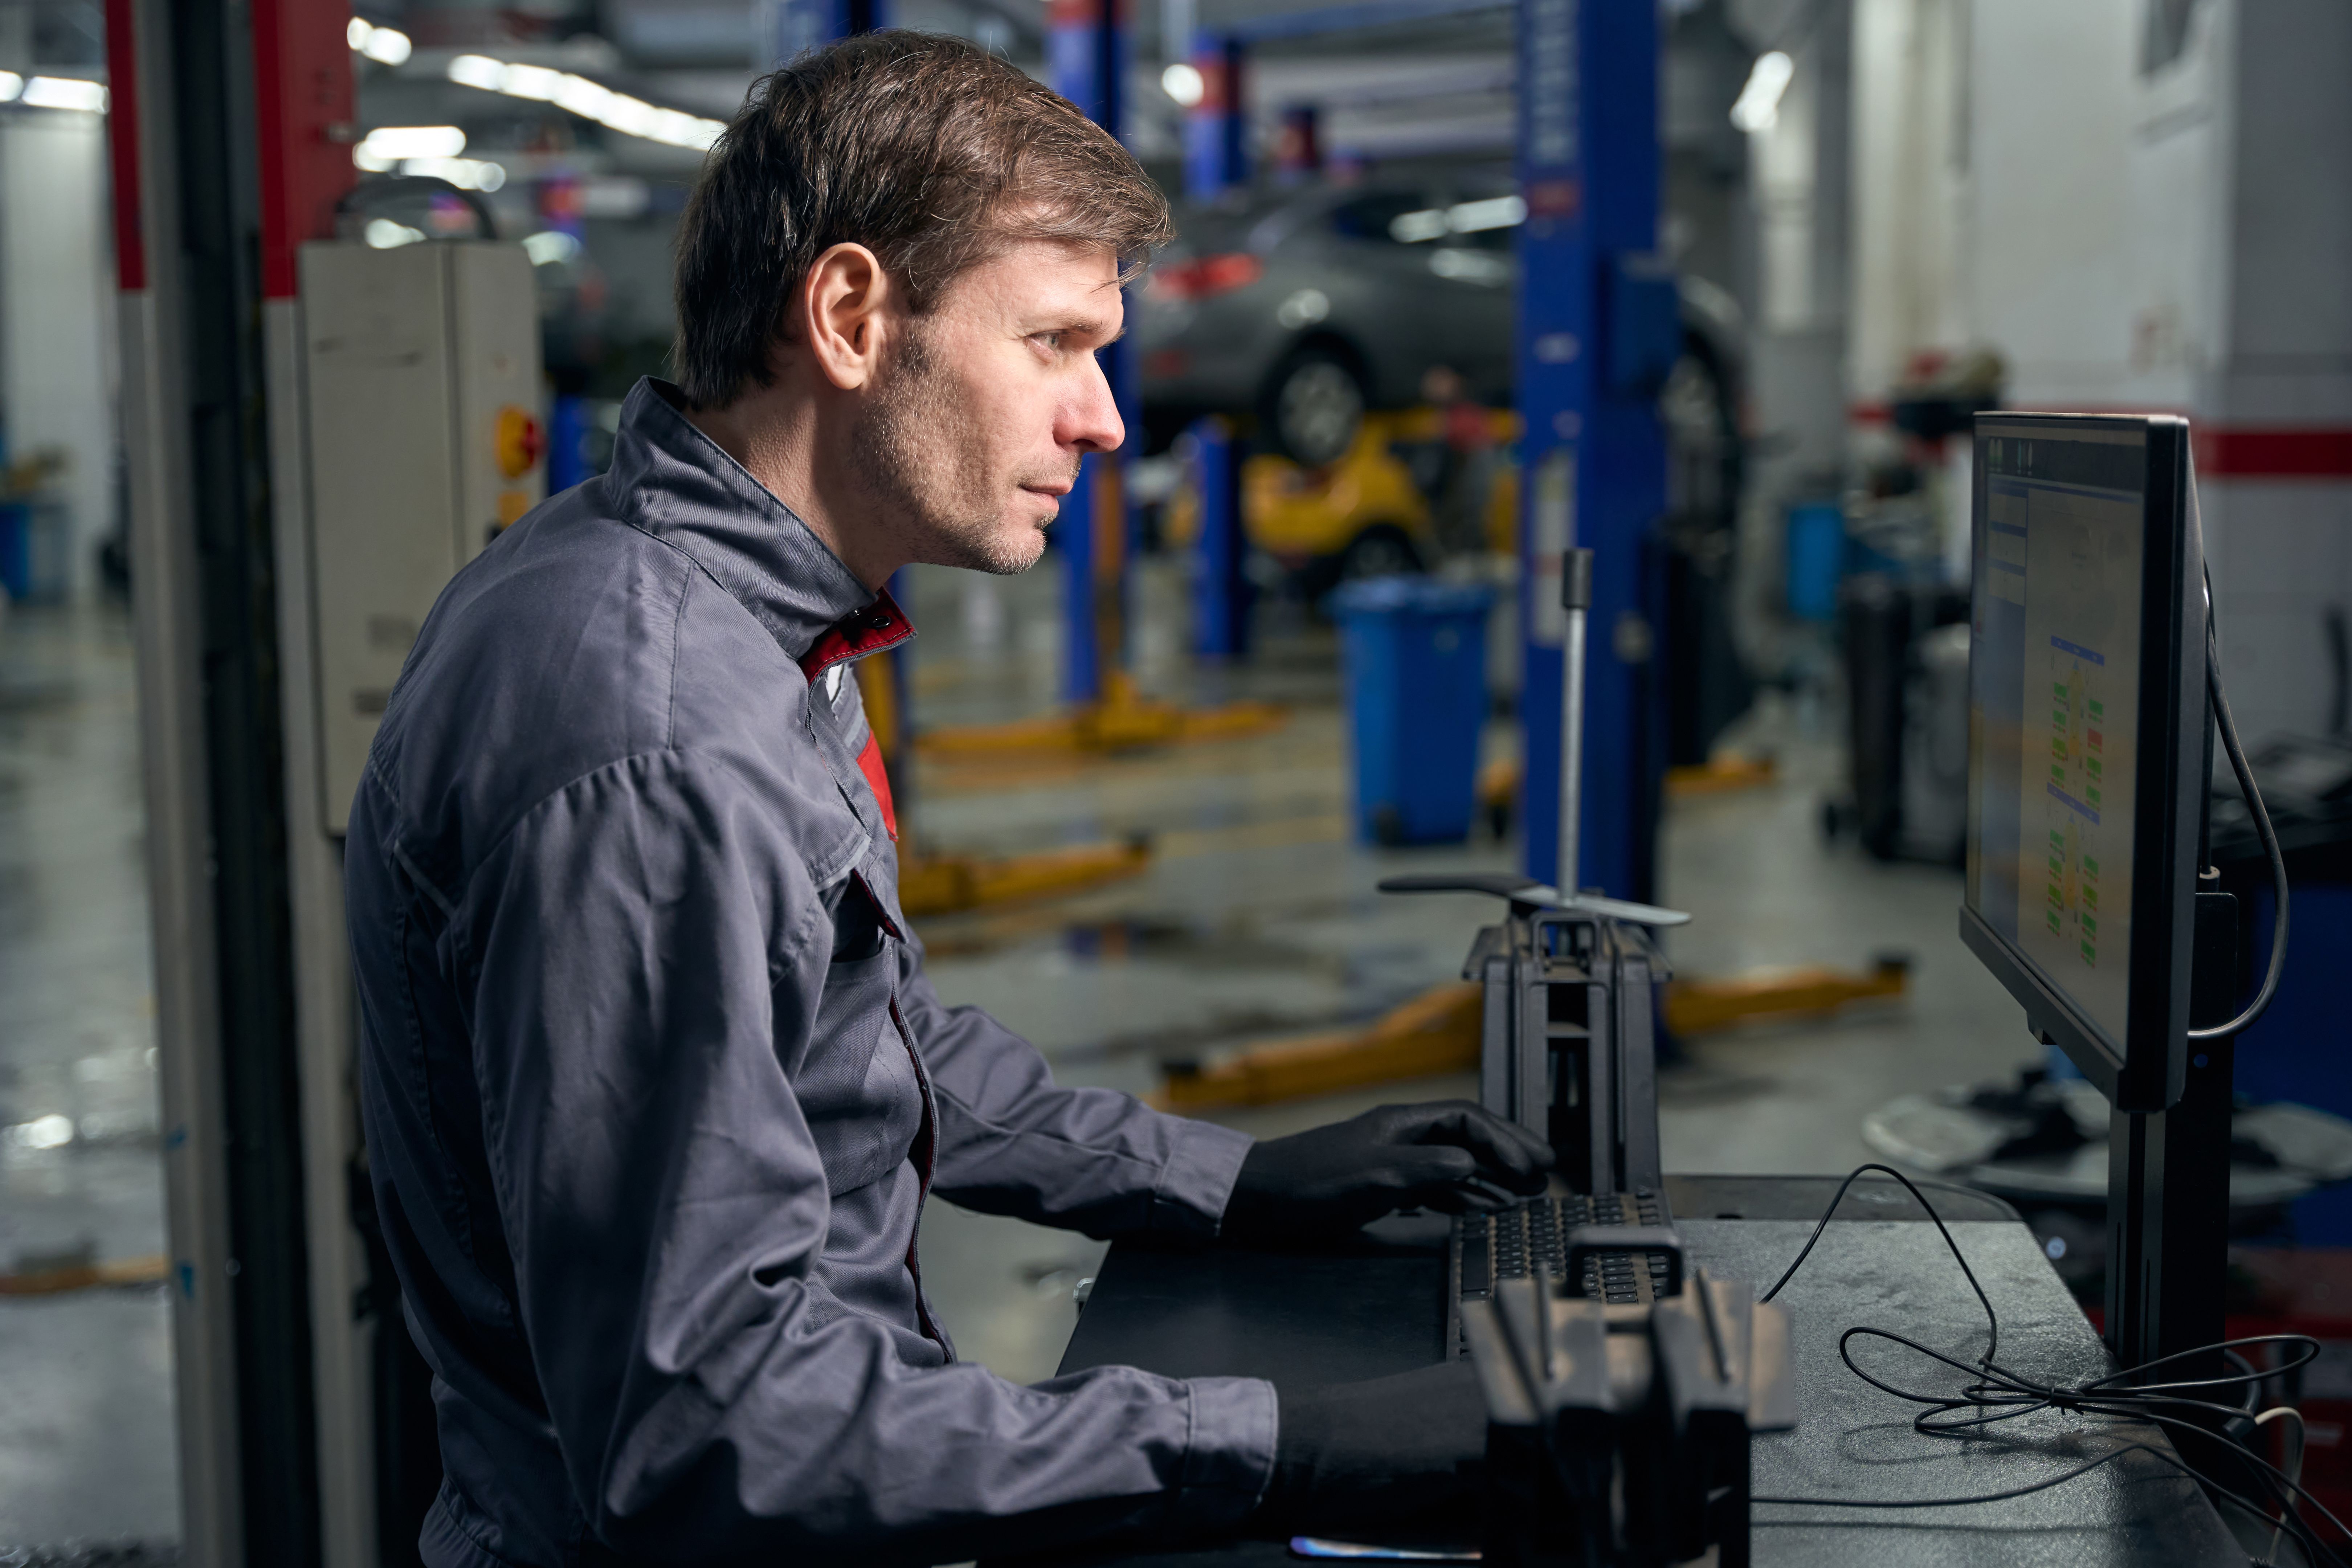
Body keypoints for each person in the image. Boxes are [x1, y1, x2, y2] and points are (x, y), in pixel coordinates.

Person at [346, 32, 1551, 1567]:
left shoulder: (729, 605)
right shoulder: (658, 736)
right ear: (852, 317)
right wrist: (1294, 1445)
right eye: (1054, 343)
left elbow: (850, 1042)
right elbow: (718, 1433)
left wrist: (1229, 1181)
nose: (1108, 418)